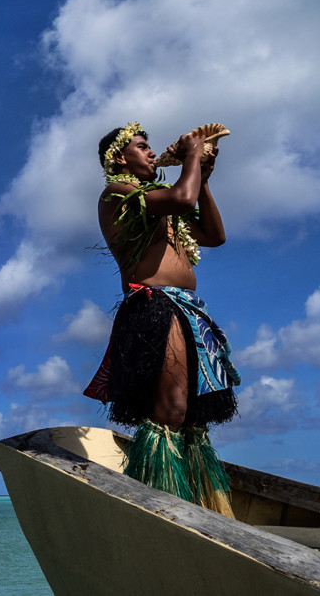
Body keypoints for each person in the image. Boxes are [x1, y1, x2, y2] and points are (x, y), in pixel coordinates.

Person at [83, 122, 241, 516]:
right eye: (142, 147)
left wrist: (202, 177)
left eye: (152, 148)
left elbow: (214, 234)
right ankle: (159, 509)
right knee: (170, 411)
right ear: (120, 158)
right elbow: (183, 201)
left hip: (187, 308)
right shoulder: (118, 194)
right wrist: (190, 155)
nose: (152, 153)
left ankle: (201, 505)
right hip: (154, 306)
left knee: (192, 416)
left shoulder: (162, 203)